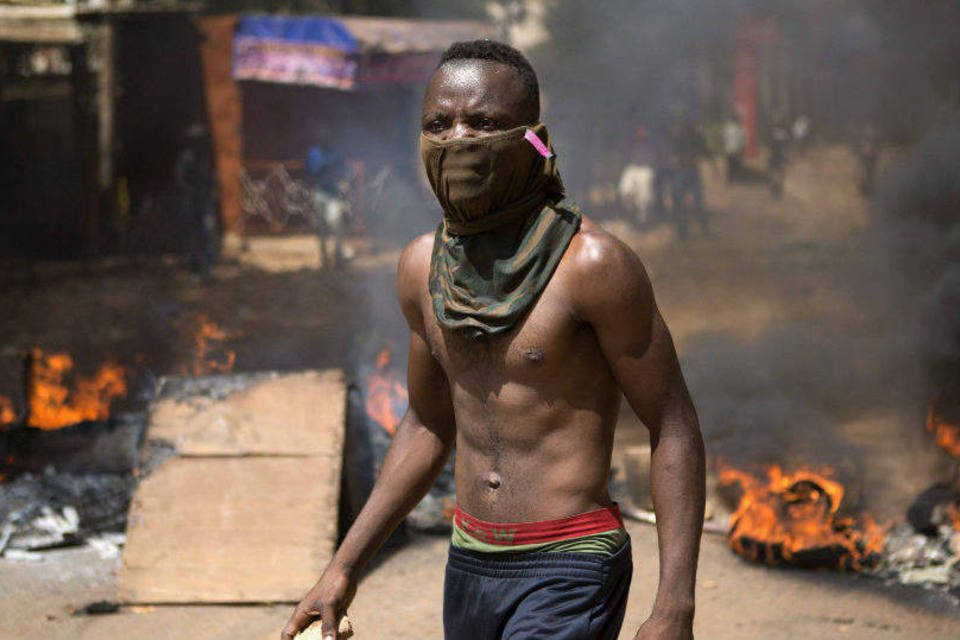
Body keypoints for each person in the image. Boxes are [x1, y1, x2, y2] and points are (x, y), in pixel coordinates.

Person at [282, 40, 705, 640]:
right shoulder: (421, 268)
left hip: (570, 564)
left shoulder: (593, 265)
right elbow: (427, 424)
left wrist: (674, 607)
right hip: (471, 562)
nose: (458, 138)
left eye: (483, 122)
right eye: (439, 123)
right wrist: (343, 567)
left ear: (534, 139)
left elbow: (673, 424)